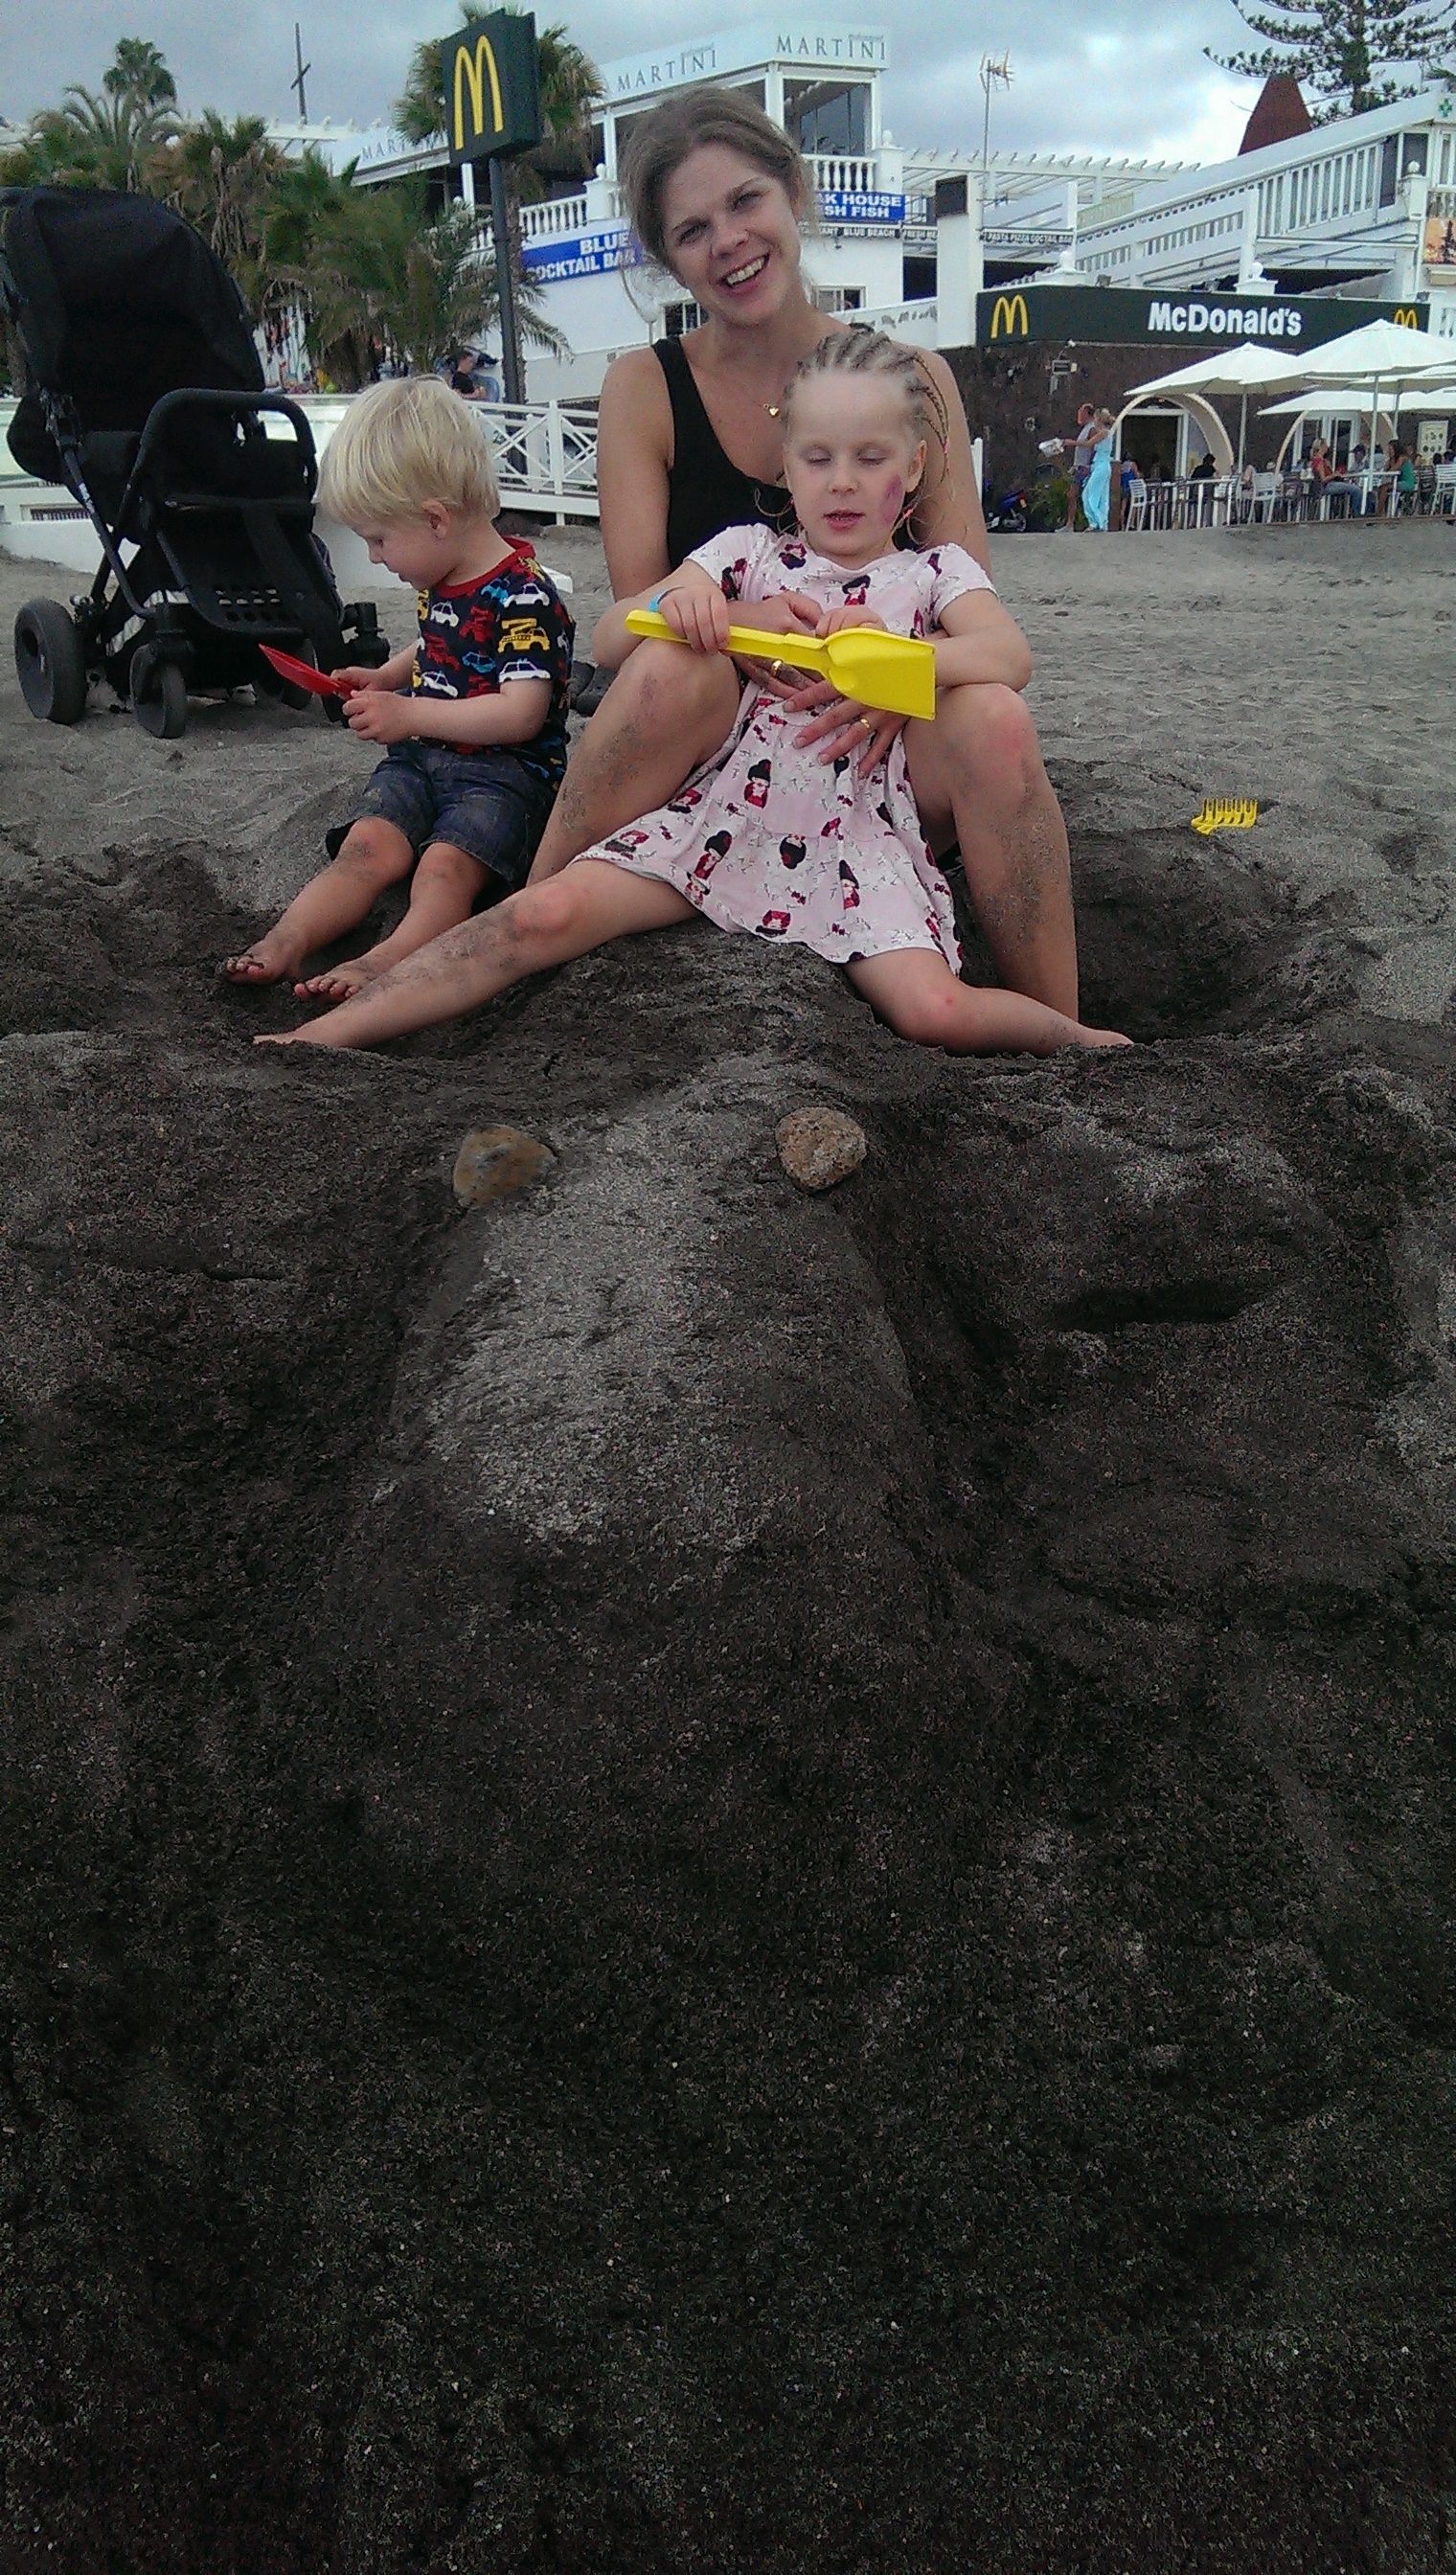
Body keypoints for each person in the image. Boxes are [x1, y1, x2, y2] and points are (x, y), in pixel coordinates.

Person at [255, 332, 1127, 1058]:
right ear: (786, 466)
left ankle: (1085, 1043)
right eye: (818, 458)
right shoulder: (748, 551)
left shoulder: (935, 571)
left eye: (872, 458)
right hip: (722, 820)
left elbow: (1008, 655)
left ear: (917, 465)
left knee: (934, 1010)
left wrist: (896, 663)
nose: (843, 481)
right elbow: (608, 638)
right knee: (545, 912)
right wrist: (696, 606)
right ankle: (322, 1037)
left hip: (860, 844)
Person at [519, 85, 1080, 1020]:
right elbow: (639, 617)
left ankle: (1066, 1032)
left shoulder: (911, 379)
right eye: (692, 230)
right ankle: (530, 913)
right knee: (669, 667)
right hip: (715, 741)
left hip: (879, 742)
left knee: (994, 719)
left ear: (794, 193)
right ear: (668, 259)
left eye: (745, 201)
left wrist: (889, 679)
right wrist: (742, 621)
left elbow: (971, 613)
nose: (728, 241)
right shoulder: (645, 387)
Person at [221, 376, 573, 997]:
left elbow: (521, 714)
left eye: (379, 539)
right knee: (365, 847)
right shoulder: (443, 578)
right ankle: (288, 940)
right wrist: (388, 676)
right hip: (423, 760)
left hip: (503, 775)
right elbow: (444, 642)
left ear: (435, 518)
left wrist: (409, 714)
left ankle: (385, 963)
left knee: (443, 868)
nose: (375, 557)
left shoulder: (526, 596)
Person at [1063, 402, 1097, 529]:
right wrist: (1075, 465)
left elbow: (1093, 448)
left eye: (1081, 412)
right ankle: (1070, 524)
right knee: (1071, 495)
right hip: (1079, 467)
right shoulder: (1085, 428)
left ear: (1087, 413)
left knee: (1085, 495)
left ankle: (1092, 522)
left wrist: (1089, 465)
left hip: (1086, 468)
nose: (1079, 415)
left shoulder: (1092, 428)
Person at [1081, 412, 1115, 530]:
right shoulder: (1105, 433)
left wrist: (1070, 442)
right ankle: (1101, 522)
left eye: (1095, 418)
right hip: (1099, 465)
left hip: (1102, 466)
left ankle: (1096, 522)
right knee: (1101, 496)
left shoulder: (1104, 432)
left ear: (1099, 420)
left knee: (1089, 494)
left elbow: (1088, 444)